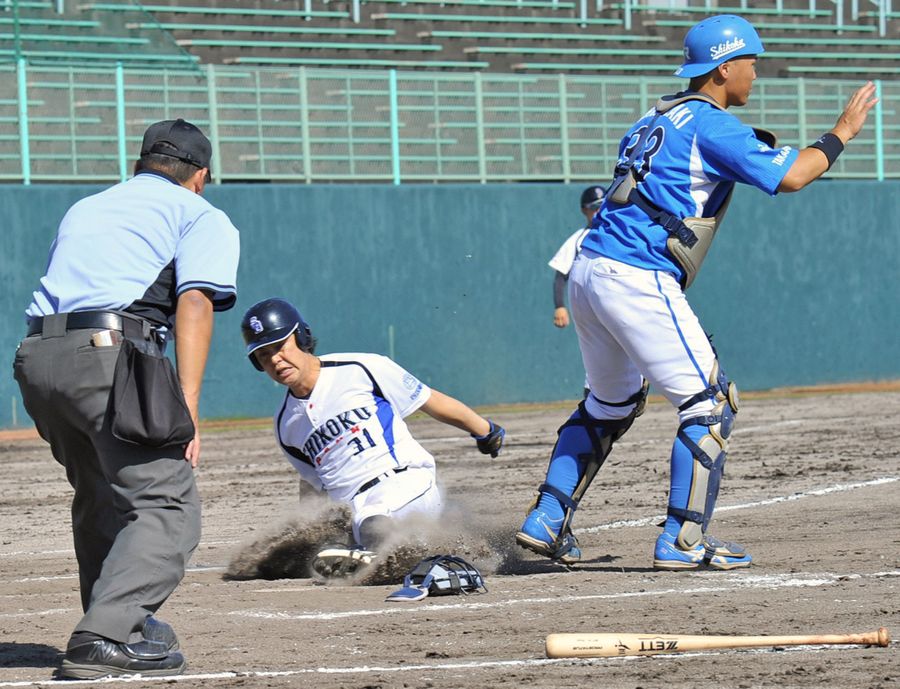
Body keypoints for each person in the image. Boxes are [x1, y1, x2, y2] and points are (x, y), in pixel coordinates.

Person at [515, 15, 876, 571]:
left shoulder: (652, 117)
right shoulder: (711, 124)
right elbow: (794, 175)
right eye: (751, 61)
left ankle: (545, 520)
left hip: (591, 270)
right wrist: (843, 131)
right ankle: (681, 541)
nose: (756, 73)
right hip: (635, 274)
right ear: (724, 66)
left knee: (608, 403)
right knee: (709, 404)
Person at [13, 119, 240, 679]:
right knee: (167, 507)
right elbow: (195, 304)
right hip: (110, 354)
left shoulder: (87, 207)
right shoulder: (200, 214)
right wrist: (186, 403)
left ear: (138, 165)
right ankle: (103, 634)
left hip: (38, 358)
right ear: (200, 176)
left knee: (101, 495)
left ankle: (123, 626)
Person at [240, 297, 505, 577]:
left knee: (373, 521)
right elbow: (313, 483)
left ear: (301, 337)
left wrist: (483, 429)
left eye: (280, 346)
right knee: (361, 525)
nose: (275, 360)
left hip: (405, 481)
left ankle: (395, 559)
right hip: (358, 509)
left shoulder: (359, 369)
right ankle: (411, 548)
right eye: (263, 355)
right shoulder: (285, 424)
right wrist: (309, 528)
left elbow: (428, 399)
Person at [549, 185, 605, 398]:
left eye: (604, 204)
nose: (600, 210)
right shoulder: (578, 239)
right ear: (584, 210)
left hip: (618, 302)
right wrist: (559, 306)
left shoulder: (620, 232)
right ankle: (593, 395)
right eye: (595, 206)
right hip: (590, 307)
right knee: (596, 351)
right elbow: (560, 274)